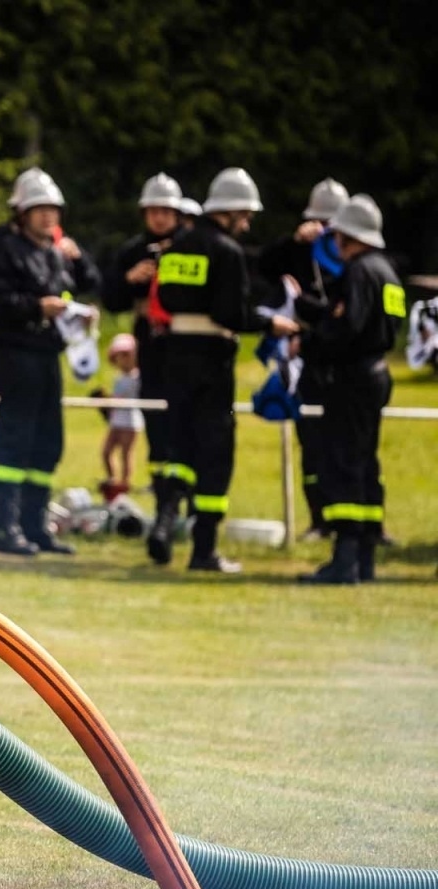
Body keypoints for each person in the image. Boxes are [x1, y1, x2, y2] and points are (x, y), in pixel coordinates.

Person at [149, 167, 298, 573]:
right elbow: (230, 312)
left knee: (179, 449)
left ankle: (164, 522)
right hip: (213, 360)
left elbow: (163, 296)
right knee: (215, 454)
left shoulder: (177, 247)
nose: (247, 223)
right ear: (228, 212)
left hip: (175, 355)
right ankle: (203, 551)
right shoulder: (227, 251)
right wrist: (269, 322)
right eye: (245, 215)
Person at [0, 167, 99, 556]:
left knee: (46, 442)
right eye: (38, 209)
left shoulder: (56, 254)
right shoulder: (5, 249)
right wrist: (35, 306)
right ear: (21, 214)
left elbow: (92, 284)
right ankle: (2, 528)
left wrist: (78, 307)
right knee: (14, 439)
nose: (47, 216)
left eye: (53, 210)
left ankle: (35, 526)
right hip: (16, 353)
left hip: (47, 356)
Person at [294, 195, 403, 584]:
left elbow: (348, 328)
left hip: (352, 379)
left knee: (343, 463)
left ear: (347, 235)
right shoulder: (386, 272)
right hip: (376, 374)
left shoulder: (357, 272)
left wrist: (306, 344)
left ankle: (344, 560)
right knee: (366, 463)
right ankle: (365, 559)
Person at [256, 178, 349, 540]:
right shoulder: (299, 251)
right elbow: (264, 266)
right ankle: (319, 520)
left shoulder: (355, 259)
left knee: (350, 443)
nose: (327, 232)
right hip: (305, 357)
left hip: (341, 358)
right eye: (321, 223)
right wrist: (294, 242)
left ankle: (360, 524)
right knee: (311, 442)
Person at [101, 173, 181, 521]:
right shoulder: (133, 251)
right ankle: (164, 503)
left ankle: (182, 505)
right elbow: (109, 298)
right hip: (150, 349)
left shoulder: (191, 245)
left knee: (187, 430)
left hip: (186, 351)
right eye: (153, 210)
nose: (160, 217)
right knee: (159, 431)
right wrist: (129, 280)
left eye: (166, 210)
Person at [100, 333, 142, 500]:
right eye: (119, 356)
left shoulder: (137, 377)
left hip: (130, 421)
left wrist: (112, 400)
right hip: (116, 420)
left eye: (126, 355)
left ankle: (125, 482)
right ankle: (112, 479)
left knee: (126, 453)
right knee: (106, 451)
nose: (123, 360)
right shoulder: (118, 377)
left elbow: (129, 396)